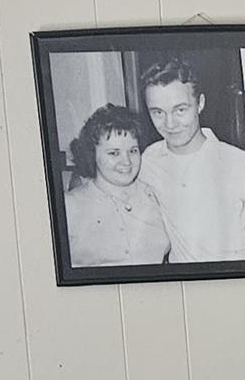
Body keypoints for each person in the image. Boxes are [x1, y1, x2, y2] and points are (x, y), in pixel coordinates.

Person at [135, 60, 245, 262]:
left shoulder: (239, 164)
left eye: (180, 110)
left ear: (200, 103)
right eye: (158, 112)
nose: (170, 124)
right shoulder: (147, 161)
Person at [62, 104, 170, 268]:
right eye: (114, 153)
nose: (126, 162)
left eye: (133, 151)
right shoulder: (69, 206)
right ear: (92, 154)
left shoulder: (154, 195)